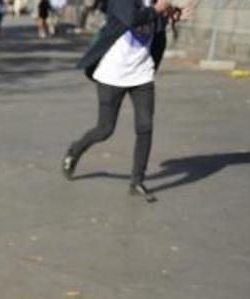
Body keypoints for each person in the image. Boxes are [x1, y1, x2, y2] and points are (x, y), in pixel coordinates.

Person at [63, 0, 187, 201]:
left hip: (142, 72)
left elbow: (156, 23)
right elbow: (132, 18)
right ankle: (75, 150)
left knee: (145, 126)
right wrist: (159, 9)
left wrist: (169, 15)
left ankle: (137, 182)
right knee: (105, 129)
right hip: (112, 73)